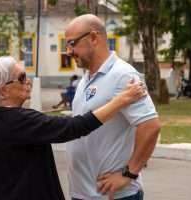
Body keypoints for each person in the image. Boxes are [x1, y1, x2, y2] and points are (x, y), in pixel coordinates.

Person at [0, 56, 146, 200]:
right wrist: (121, 100)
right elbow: (76, 127)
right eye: (21, 77)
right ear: (4, 90)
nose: (28, 81)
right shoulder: (21, 120)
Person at [64, 14, 161, 200]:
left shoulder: (123, 75)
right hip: (83, 193)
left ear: (93, 37)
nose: (68, 51)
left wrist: (129, 174)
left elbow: (150, 126)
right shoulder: (86, 78)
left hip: (114, 196)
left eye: (72, 43)